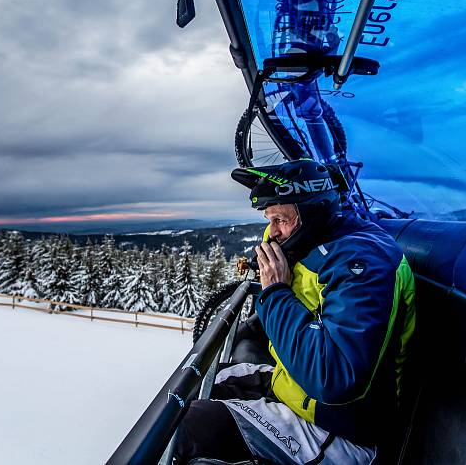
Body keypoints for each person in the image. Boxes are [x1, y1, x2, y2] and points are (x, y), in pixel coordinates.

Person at [174, 159, 416, 464]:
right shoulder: (312, 244)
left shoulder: (362, 263)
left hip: (339, 429)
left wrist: (275, 293)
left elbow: (335, 375)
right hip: (295, 389)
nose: (272, 232)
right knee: (188, 391)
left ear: (313, 213)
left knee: (186, 431)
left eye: (281, 219)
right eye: (269, 219)